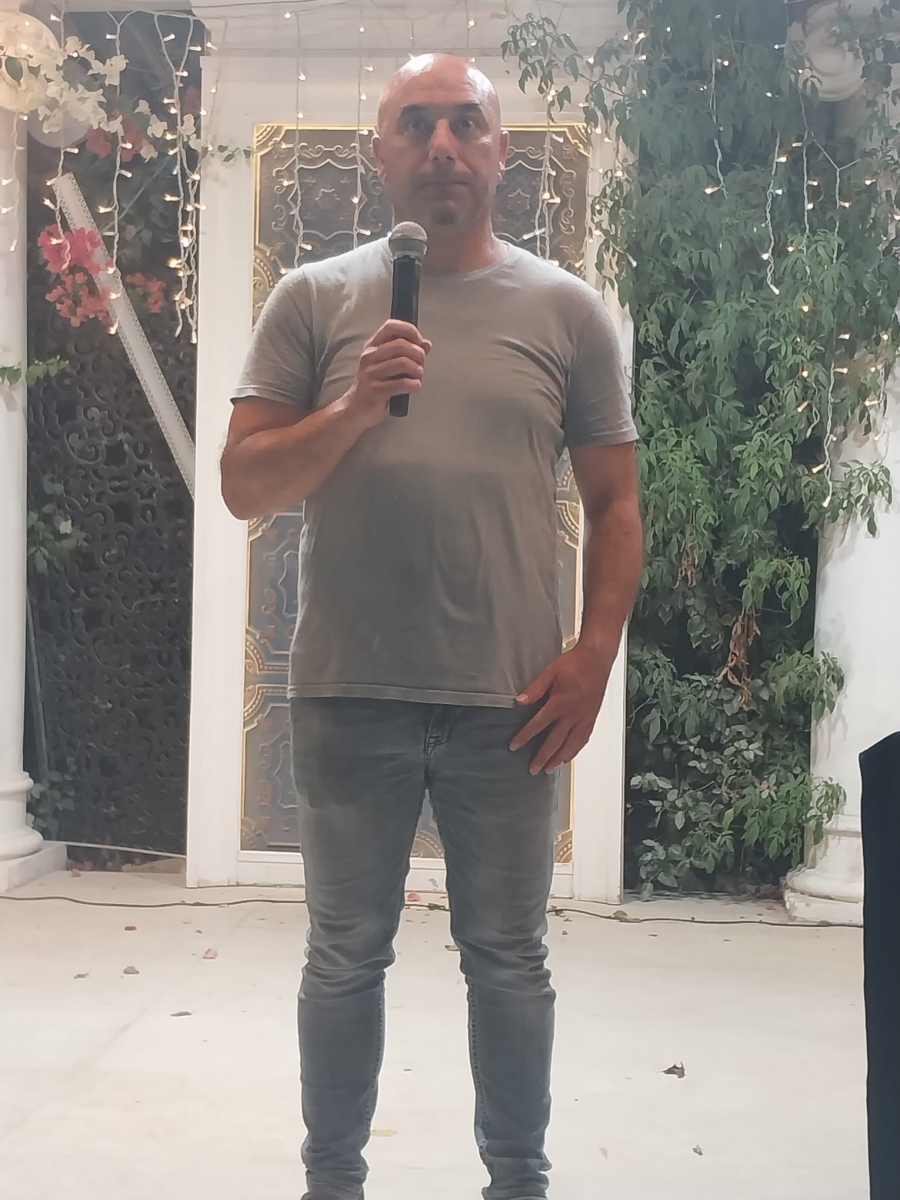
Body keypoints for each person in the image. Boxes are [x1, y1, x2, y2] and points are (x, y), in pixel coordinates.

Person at [220, 52, 642, 1200]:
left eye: (465, 123)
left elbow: (616, 505)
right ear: (382, 153)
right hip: (346, 692)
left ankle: (518, 1184)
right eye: (417, 123)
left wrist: (594, 656)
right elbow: (248, 485)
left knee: (507, 960)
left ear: (501, 151)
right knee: (343, 958)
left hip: (511, 704)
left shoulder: (567, 311)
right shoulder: (312, 298)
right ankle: (333, 1183)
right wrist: (356, 404)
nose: (443, 145)